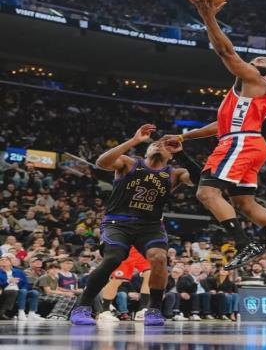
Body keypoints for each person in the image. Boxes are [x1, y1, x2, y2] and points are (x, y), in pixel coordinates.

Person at [164, 0, 266, 277]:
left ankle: (244, 243)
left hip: (241, 142)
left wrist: (207, 16)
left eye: (259, 61)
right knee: (244, 203)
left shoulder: (257, 80)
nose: (253, 62)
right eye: (252, 60)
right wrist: (184, 138)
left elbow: (225, 51)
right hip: (247, 141)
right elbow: (219, 126)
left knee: (206, 192)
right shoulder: (244, 97)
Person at [70, 124, 199, 326]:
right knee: (113, 258)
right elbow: (101, 162)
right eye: (155, 144)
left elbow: (200, 180)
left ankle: (153, 309)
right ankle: (83, 306)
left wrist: (182, 154)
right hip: (118, 222)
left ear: (171, 155)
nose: (159, 145)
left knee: (159, 258)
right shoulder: (129, 163)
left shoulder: (175, 173)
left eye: (164, 145)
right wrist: (133, 141)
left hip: (150, 225)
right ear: (146, 150)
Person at [98, 246, 151, 322]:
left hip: (142, 248)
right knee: (117, 278)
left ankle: (143, 310)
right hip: (126, 248)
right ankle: (105, 311)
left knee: (149, 274)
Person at [0, 253, 43, 321]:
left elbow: (25, 283)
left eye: (6, 260)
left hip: (19, 290)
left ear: (11, 262)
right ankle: (21, 313)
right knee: (21, 291)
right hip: (5, 291)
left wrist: (20, 283)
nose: (3, 261)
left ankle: (32, 313)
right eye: (1, 260)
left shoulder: (19, 272)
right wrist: (8, 281)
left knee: (34, 292)